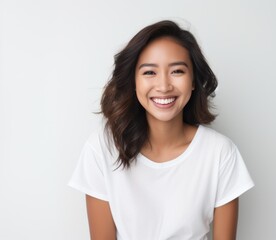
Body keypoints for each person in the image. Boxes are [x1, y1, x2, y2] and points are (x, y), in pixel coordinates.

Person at [69, 20, 254, 240]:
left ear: (193, 80)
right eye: (149, 72)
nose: (164, 86)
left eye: (177, 71)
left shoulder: (220, 153)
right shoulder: (102, 148)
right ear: (133, 81)